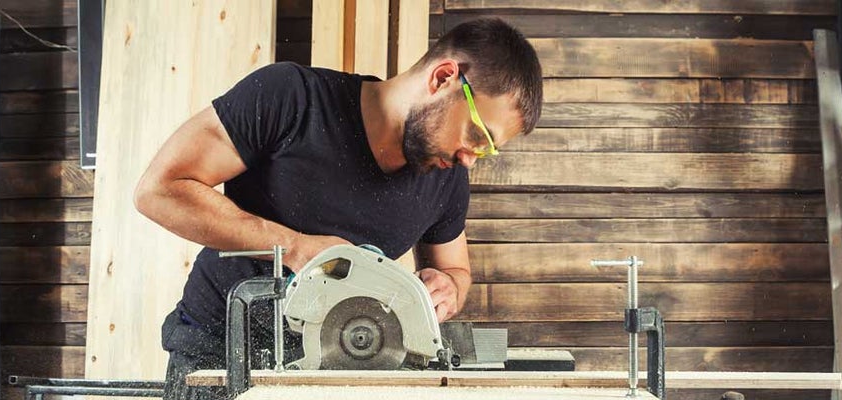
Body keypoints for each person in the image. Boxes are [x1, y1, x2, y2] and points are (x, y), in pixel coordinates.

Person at [133, 18, 543, 400]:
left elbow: (456, 271)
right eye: (477, 134)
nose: (471, 157)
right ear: (443, 78)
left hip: (345, 367)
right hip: (219, 356)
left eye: (486, 149)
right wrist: (295, 247)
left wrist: (447, 289)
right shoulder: (291, 98)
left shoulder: (446, 176)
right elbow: (160, 189)